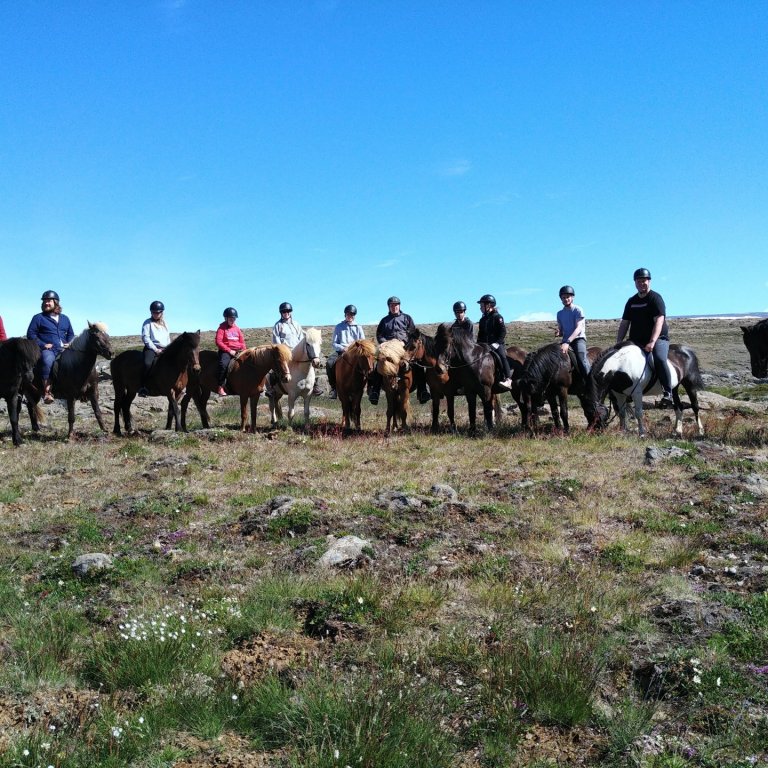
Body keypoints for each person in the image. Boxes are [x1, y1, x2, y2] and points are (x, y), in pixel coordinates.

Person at [616, 267, 673, 408]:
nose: (642, 283)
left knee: (659, 358)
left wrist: (652, 342)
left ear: (649, 281)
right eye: (639, 281)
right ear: (635, 283)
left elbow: (659, 321)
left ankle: (667, 392)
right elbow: (624, 323)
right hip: (636, 340)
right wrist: (618, 343)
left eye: (644, 280)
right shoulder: (631, 301)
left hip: (658, 338)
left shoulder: (655, 298)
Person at [370, 296, 429, 404]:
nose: (394, 307)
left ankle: (422, 391)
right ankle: (375, 391)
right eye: (392, 305)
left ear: (399, 306)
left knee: (417, 364)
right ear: (389, 307)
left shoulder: (407, 318)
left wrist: (405, 342)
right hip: (389, 350)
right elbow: (379, 335)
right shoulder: (384, 321)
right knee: (378, 364)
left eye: (396, 305)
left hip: (404, 348)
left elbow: (412, 334)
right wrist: (385, 343)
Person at [27, 290, 75, 403]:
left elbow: (71, 334)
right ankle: (47, 392)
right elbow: (31, 334)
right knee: (47, 360)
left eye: (49, 301)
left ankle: (79, 389)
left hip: (64, 349)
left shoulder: (65, 318)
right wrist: (43, 345)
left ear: (56, 302)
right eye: (44, 301)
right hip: (48, 350)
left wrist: (70, 342)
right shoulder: (38, 318)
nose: (46, 303)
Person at [271, 302, 322, 396]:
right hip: (285, 352)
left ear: (290, 312)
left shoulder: (296, 324)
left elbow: (301, 338)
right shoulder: (278, 325)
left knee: (310, 361)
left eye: (288, 311)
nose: (286, 313)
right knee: (275, 366)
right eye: (284, 311)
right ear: (281, 313)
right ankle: (272, 387)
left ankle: (313, 384)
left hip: (297, 350)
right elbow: (276, 341)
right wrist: (284, 350)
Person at [326, 305, 366, 399]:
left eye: (352, 314)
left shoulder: (358, 327)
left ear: (354, 315)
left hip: (355, 352)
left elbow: (363, 342)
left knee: (369, 363)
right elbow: (334, 343)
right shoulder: (339, 327)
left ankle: (371, 387)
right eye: (348, 314)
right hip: (342, 351)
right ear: (345, 314)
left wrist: (355, 348)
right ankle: (334, 388)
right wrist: (342, 348)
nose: (350, 316)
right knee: (329, 363)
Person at [476, 294, 513, 390]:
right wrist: (478, 345)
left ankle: (508, 379)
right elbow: (480, 334)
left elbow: (503, 331)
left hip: (497, 344)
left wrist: (497, 343)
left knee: (502, 356)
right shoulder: (482, 319)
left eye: (482, 305)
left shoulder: (498, 317)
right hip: (485, 345)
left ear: (489, 305)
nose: (480, 307)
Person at [556, 285, 591, 379]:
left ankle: (590, 382)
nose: (566, 299)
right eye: (563, 297)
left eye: (568, 297)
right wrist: (559, 332)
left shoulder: (578, 310)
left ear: (572, 297)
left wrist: (567, 342)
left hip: (578, 339)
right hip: (565, 341)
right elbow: (561, 330)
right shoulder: (559, 314)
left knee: (581, 357)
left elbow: (579, 328)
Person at [139, 300, 171, 397]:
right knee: (147, 363)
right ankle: (143, 387)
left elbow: (167, 337)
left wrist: (168, 348)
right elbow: (146, 337)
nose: (156, 314)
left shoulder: (165, 323)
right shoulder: (147, 323)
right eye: (154, 312)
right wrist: (155, 349)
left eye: (158, 312)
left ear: (162, 312)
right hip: (151, 348)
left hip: (165, 348)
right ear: (151, 312)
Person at [215, 307, 246, 396]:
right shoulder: (222, 328)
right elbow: (218, 342)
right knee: (223, 365)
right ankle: (220, 387)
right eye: (230, 318)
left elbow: (242, 342)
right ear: (226, 318)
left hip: (238, 351)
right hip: (226, 351)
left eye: (234, 318)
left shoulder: (237, 328)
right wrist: (229, 351)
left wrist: (244, 350)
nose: (232, 320)